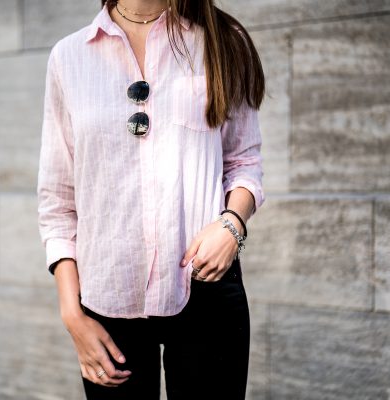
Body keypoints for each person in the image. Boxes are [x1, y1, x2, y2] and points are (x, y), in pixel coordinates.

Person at [37, 0, 266, 398]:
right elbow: (57, 199)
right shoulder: (69, 58)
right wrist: (72, 314)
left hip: (205, 290)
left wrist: (232, 225)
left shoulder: (223, 42)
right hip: (108, 299)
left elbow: (244, 160)